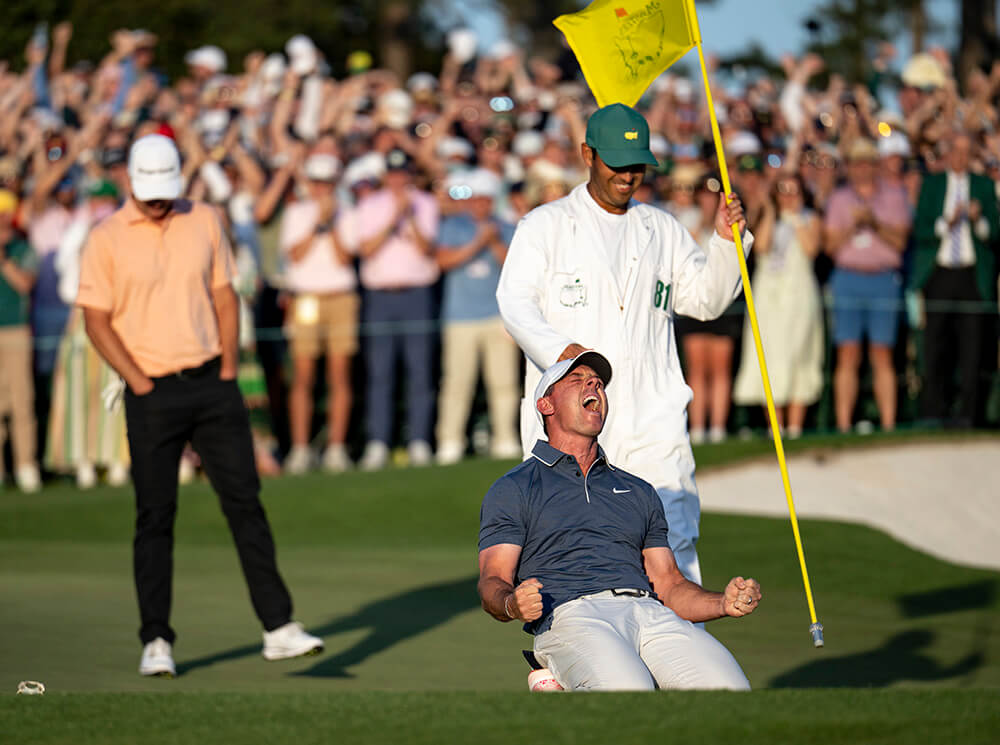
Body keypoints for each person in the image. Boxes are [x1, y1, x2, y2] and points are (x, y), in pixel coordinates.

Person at [76, 134, 322, 677]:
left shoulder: (204, 218)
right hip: (151, 391)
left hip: (213, 382)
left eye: (165, 191)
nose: (158, 202)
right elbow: (95, 319)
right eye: (149, 192)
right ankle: (155, 640)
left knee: (245, 504)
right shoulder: (106, 237)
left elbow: (223, 295)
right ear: (131, 182)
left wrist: (229, 369)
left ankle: (278, 628)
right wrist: (139, 382)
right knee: (155, 516)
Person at [496, 103, 751, 586]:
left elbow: (707, 299)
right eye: (616, 162)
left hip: (655, 419)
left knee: (674, 544)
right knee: (570, 552)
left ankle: (679, 636)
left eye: (637, 164)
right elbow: (514, 303)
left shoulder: (662, 228)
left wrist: (725, 243)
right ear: (587, 154)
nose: (627, 175)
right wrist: (562, 354)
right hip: (573, 423)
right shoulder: (545, 226)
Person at [477, 351, 760, 691]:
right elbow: (493, 579)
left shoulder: (638, 490)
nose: (593, 385)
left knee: (731, 692)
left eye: (597, 382)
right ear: (546, 405)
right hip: (571, 616)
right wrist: (511, 604)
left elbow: (668, 585)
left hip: (650, 612)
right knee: (629, 696)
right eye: (577, 380)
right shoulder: (515, 487)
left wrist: (722, 603)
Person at [353, 148, 440, 470]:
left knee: (420, 370)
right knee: (380, 372)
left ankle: (419, 440)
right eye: (393, 174)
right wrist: (393, 218)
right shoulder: (370, 205)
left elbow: (427, 248)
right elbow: (366, 249)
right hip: (380, 295)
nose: (398, 180)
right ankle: (378, 441)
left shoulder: (425, 203)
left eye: (403, 174)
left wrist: (410, 216)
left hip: (416, 293)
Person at [912, 130, 999, 427]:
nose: (960, 157)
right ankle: (933, 412)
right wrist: (945, 223)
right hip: (940, 273)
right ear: (948, 154)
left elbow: (994, 233)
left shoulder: (983, 186)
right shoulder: (933, 185)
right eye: (955, 150)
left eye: (965, 151)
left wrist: (978, 220)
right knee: (935, 346)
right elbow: (921, 228)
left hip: (971, 276)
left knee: (972, 348)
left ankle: (968, 415)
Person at [823, 138, 911, 433]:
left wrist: (873, 222)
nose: (862, 169)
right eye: (856, 163)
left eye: (867, 163)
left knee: (882, 353)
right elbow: (830, 245)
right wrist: (853, 226)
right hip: (848, 278)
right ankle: (843, 426)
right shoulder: (839, 199)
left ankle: (888, 424)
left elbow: (900, 241)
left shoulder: (894, 196)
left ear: (875, 166)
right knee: (847, 353)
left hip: (883, 279)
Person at [434, 168, 521, 464]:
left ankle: (505, 437)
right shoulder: (453, 226)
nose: (480, 205)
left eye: (485, 199)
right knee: (457, 383)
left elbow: (514, 267)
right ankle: (450, 441)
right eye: (475, 199)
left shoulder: (505, 227)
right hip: (460, 317)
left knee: (504, 381)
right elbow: (443, 261)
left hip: (497, 317)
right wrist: (477, 243)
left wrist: (492, 241)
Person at [280, 151, 359, 474]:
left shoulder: (348, 213)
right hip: (306, 299)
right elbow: (296, 255)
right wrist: (318, 223)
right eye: (317, 182)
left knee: (339, 375)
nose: (322, 189)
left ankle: (336, 448)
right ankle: (300, 448)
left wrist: (332, 222)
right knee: (303, 375)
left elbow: (344, 257)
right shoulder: (296, 213)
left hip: (340, 298)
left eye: (327, 183)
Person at [732, 173, 824, 437]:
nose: (789, 196)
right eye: (783, 190)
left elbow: (811, 249)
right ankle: (776, 425)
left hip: (799, 295)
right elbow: (761, 247)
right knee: (768, 355)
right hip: (769, 298)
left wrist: (796, 218)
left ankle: (795, 426)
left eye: (794, 190)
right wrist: (771, 211)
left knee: (799, 354)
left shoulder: (810, 218)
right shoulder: (766, 217)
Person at [0, 189, 41, 492]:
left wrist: (4, 262)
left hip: (15, 331)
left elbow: (25, 284)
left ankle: (26, 465)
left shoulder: (23, 248)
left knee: (22, 401)